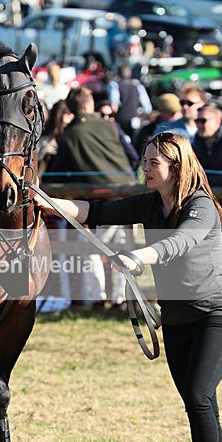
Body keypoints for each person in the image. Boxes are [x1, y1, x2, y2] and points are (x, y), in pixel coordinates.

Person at [35, 131, 222, 442]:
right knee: (203, 404)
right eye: (144, 160)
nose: (144, 168)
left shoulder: (202, 206)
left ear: (175, 166)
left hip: (217, 315)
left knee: (198, 396)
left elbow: (179, 242)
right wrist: (46, 200)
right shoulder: (149, 204)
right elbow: (94, 213)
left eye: (153, 162)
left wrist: (138, 257)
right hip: (177, 319)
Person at [45, 86, 136, 308]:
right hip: (127, 195)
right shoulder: (109, 125)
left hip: (97, 202)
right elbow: (133, 157)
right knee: (124, 250)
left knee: (91, 251)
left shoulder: (70, 135)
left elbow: (57, 174)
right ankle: (121, 299)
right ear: (90, 104)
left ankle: (96, 298)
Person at [107, 64, 152, 139]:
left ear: (118, 74)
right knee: (135, 140)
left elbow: (114, 104)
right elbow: (147, 106)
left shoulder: (115, 85)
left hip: (122, 118)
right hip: (135, 118)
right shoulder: (137, 85)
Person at [134, 93, 182, 157]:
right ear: (161, 111)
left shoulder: (184, 127)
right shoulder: (149, 131)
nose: (177, 117)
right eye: (172, 113)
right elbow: (140, 153)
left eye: (179, 112)